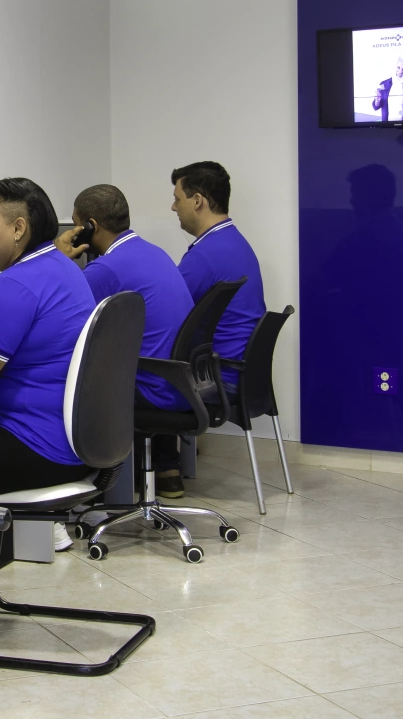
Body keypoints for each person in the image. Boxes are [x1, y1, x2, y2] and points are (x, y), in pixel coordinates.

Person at [0, 178, 96, 531]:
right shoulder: (65, 269)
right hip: (76, 443)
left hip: (34, 446)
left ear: (18, 228)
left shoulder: (14, 286)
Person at [57, 183, 194, 496]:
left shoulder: (105, 269)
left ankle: (83, 484)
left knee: (64, 382)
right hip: (181, 383)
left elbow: (60, 319)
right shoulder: (154, 252)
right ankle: (165, 469)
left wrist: (60, 260)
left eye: (77, 224)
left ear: (91, 226)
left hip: (153, 391)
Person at [170, 161, 267, 493]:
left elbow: (168, 312)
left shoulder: (205, 256)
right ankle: (168, 469)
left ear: (197, 200)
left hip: (217, 381)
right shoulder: (235, 242)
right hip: (244, 375)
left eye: (177, 198)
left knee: (137, 374)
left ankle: (163, 471)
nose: (173, 207)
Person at [374, 56, 403, 121]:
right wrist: (377, 101)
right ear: (395, 67)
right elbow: (376, 107)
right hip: (387, 125)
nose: (400, 71)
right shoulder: (383, 84)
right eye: (398, 67)